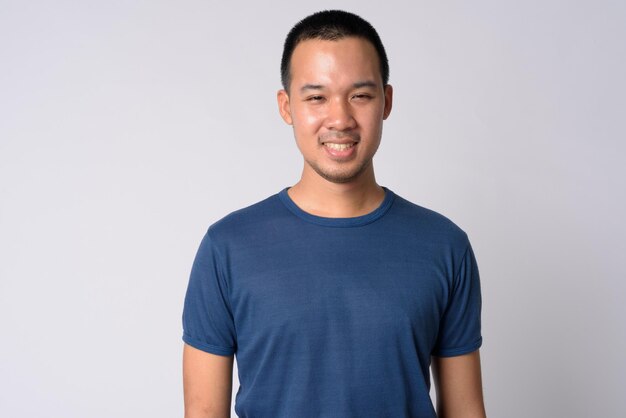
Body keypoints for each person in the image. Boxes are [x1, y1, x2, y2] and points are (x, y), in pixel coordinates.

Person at [182, 9, 486, 418]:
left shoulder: (445, 246)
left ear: (386, 101)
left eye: (360, 95)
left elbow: (466, 411)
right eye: (316, 97)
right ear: (287, 106)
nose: (340, 119)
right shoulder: (227, 248)